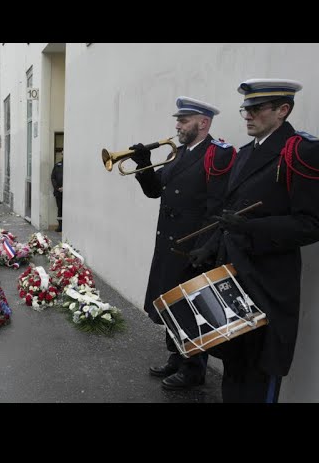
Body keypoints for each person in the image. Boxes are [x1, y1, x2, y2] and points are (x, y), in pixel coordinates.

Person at [189, 79, 319, 403]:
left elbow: (311, 224)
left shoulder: (299, 151)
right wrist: (208, 248)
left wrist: (252, 227)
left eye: (256, 109)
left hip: (268, 285)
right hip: (234, 277)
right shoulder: (246, 152)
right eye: (246, 108)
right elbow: (229, 214)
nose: (247, 115)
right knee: (234, 366)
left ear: (282, 110)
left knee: (259, 377)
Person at [130, 96, 236, 390]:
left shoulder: (217, 154)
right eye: (178, 120)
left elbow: (216, 209)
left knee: (192, 309)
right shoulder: (179, 154)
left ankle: (193, 369)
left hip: (193, 247)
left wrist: (204, 248)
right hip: (168, 242)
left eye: (184, 120)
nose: (177, 125)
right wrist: (144, 165)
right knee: (171, 304)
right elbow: (154, 191)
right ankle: (176, 357)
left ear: (203, 123)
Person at [51, 151, 63, 232]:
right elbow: (53, 177)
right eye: (62, 154)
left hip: (70, 193)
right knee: (60, 208)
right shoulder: (57, 165)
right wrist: (58, 188)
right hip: (59, 192)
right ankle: (60, 226)